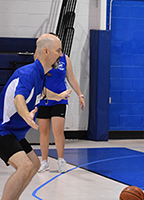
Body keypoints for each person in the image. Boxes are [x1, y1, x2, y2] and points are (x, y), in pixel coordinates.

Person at [0, 33, 71, 200]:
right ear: (46, 52)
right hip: (3, 131)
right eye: (58, 51)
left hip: (15, 133)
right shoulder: (27, 73)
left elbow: (42, 93)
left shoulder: (41, 74)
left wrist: (58, 96)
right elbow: (19, 99)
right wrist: (26, 115)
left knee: (34, 164)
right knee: (25, 166)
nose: (61, 55)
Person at [37, 34, 85, 173]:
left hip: (61, 99)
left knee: (58, 131)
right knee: (44, 132)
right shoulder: (41, 57)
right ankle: (44, 161)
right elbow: (38, 78)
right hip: (44, 98)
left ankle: (61, 159)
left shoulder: (65, 59)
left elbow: (71, 78)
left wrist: (80, 95)